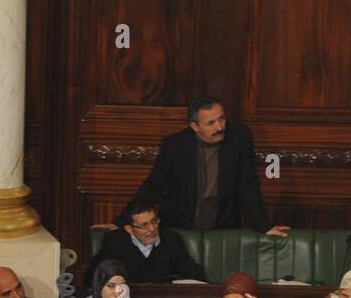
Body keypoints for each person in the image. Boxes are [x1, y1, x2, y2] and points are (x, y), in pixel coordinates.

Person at [111, 96, 286, 233]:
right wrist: (122, 221)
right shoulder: (175, 145)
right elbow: (154, 185)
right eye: (211, 123)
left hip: (223, 225)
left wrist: (264, 226)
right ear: (194, 126)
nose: (219, 126)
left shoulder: (239, 137)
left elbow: (248, 183)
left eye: (222, 119)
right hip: (179, 225)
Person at [85, 202, 208, 287]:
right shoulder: (114, 242)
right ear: (129, 229)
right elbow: (93, 278)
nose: (152, 229)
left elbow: (193, 274)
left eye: (154, 222)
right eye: (144, 225)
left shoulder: (172, 239)